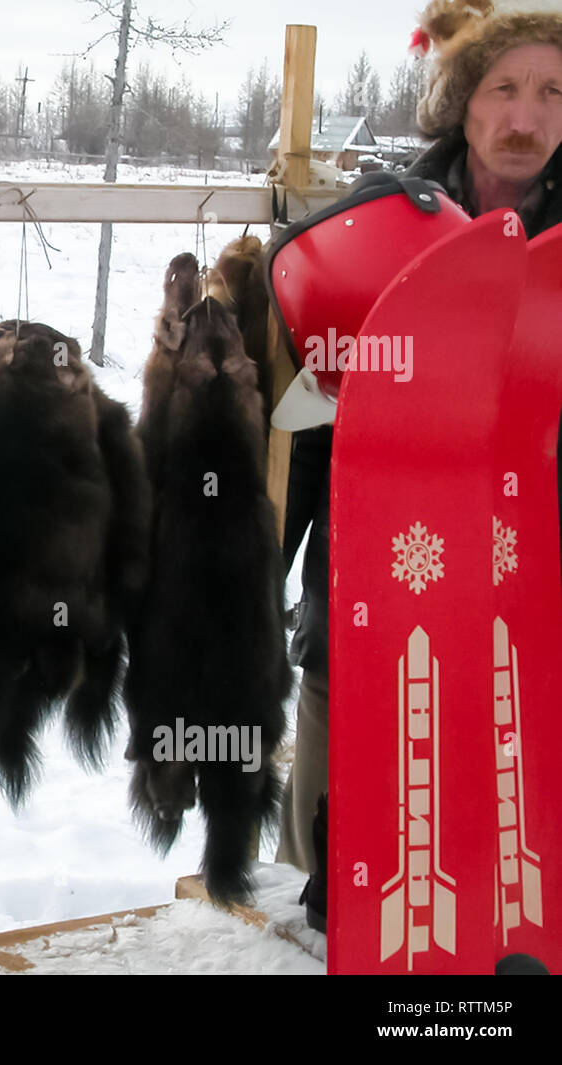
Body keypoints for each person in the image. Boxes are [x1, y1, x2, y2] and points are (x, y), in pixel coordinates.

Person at [277, 0, 562, 917]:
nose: (526, 118)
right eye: (504, 88)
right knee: (353, 896)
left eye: (555, 92)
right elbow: (311, 437)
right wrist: (258, 578)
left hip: (539, 592)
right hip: (383, 589)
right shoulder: (383, 230)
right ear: (460, 103)